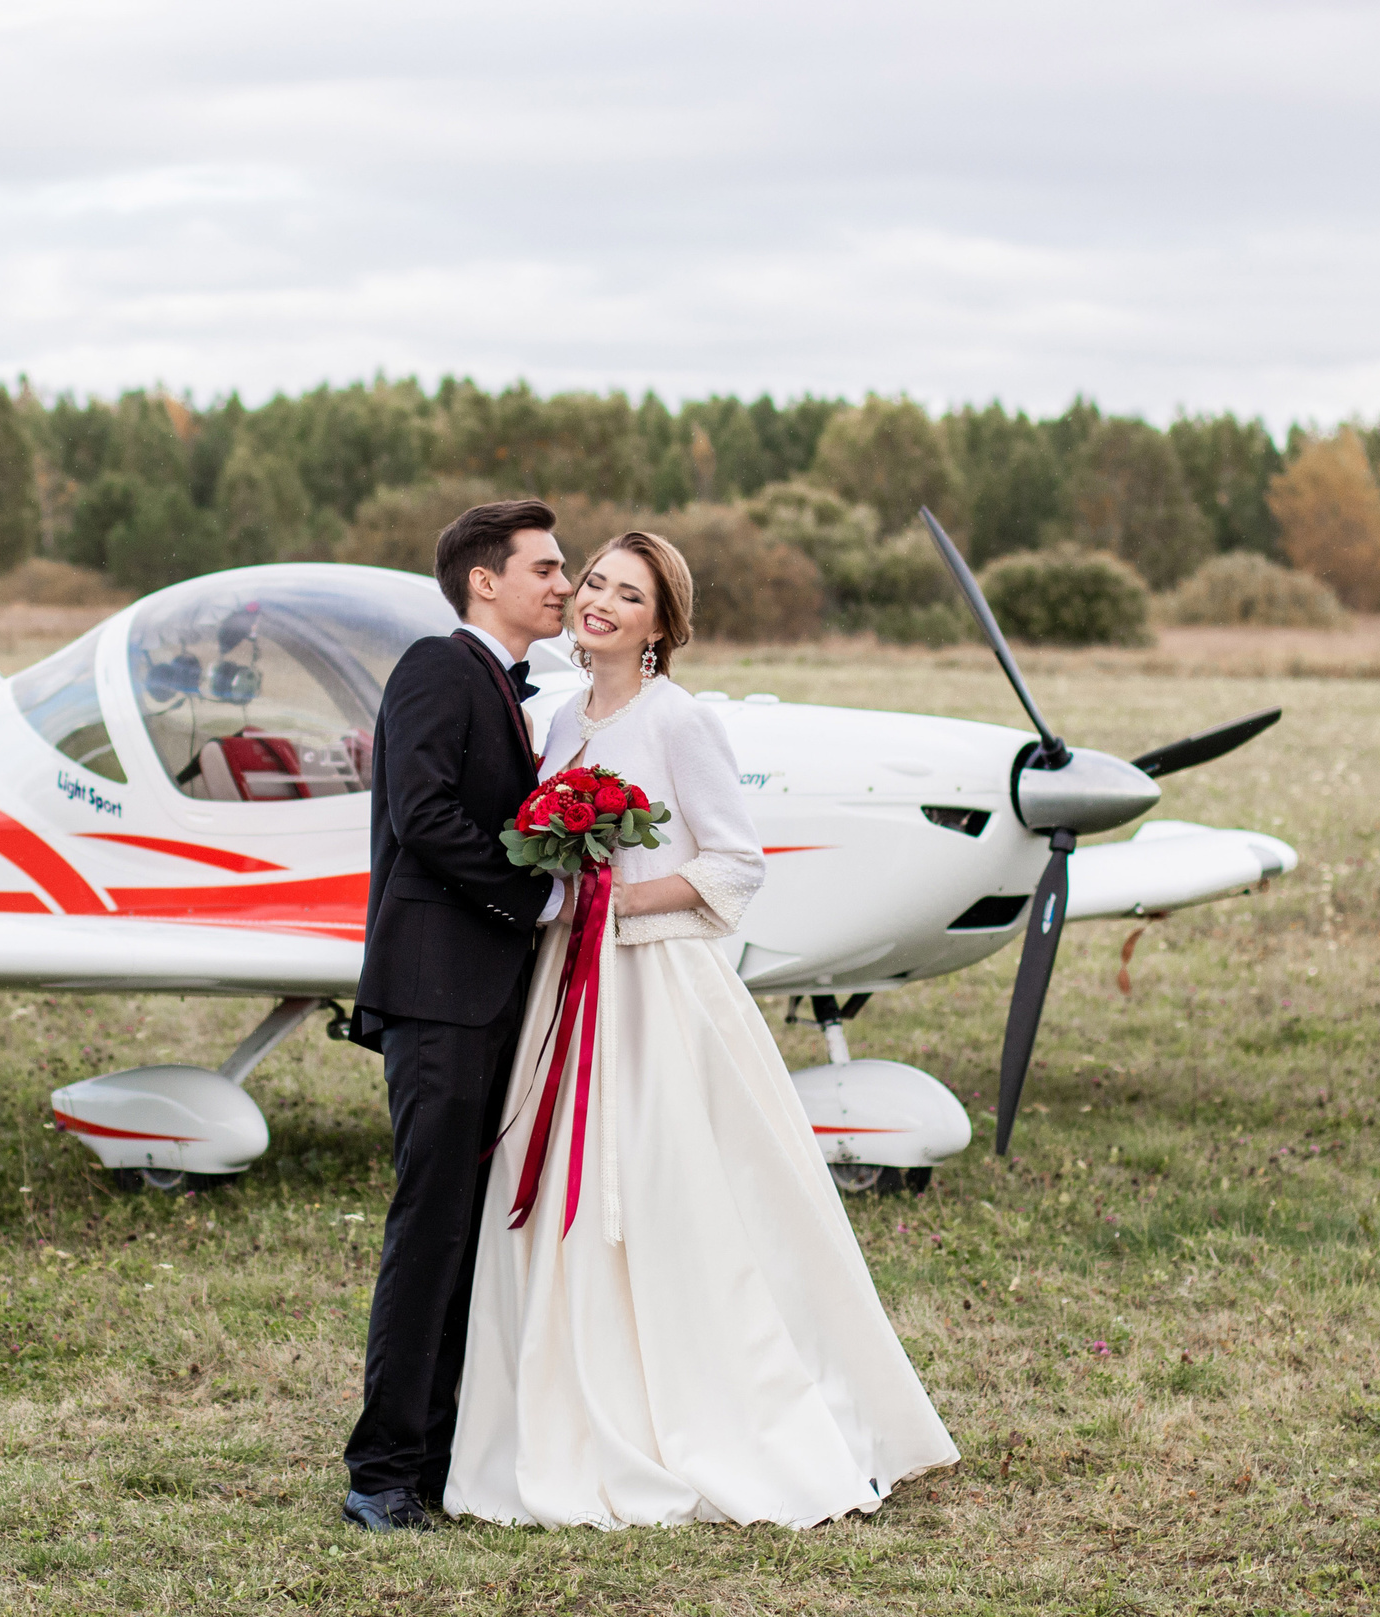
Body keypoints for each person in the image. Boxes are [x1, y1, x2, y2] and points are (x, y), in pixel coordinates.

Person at [446, 530, 958, 1530]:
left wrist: (617, 907)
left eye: (626, 595)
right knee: (554, 1188)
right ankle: (559, 1411)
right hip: (567, 983)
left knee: (666, 1189)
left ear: (658, 626)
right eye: (591, 582)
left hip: (654, 989)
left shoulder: (678, 723)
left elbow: (732, 867)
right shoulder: (556, 724)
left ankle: (714, 1406)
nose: (596, 602)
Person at [342, 499, 570, 1532]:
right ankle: (381, 1472)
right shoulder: (440, 666)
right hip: (438, 993)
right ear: (486, 580)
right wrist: (540, 894)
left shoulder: (508, 689)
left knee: (463, 1231)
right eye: (548, 569)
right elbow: (421, 815)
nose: (564, 586)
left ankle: (432, 1460)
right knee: (429, 1228)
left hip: (481, 995)